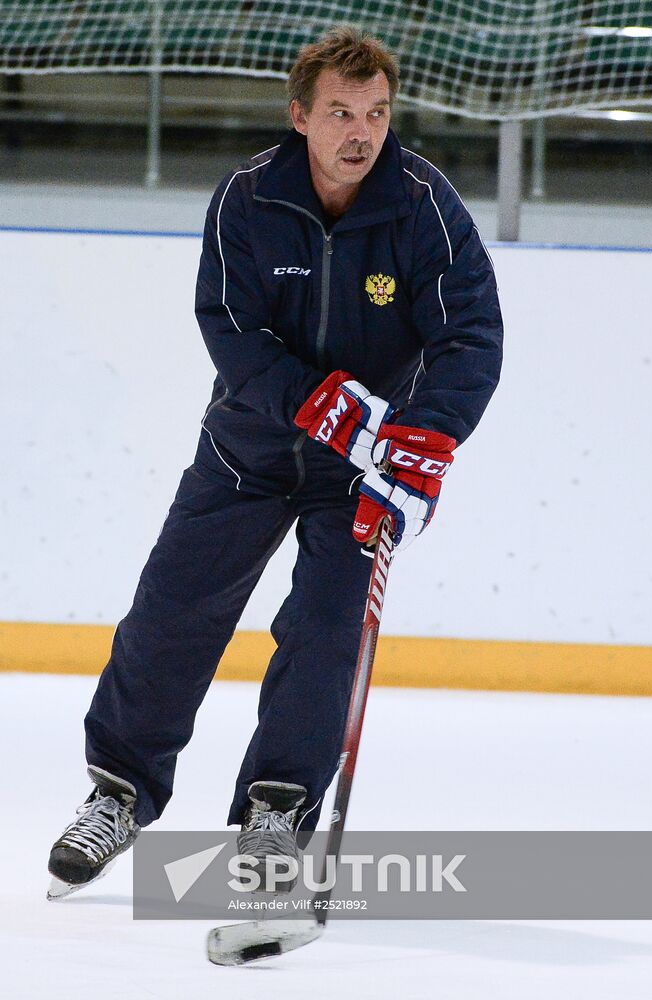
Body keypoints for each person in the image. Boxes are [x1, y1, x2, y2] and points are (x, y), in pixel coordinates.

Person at [47, 28, 503, 899]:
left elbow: (470, 334)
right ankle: (118, 793)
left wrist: (427, 440)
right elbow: (229, 325)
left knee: (326, 634)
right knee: (170, 617)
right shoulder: (247, 198)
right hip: (245, 451)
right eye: (339, 112)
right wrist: (313, 401)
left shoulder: (422, 206)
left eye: (375, 112)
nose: (359, 131)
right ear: (300, 116)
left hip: (360, 474)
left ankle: (276, 811)